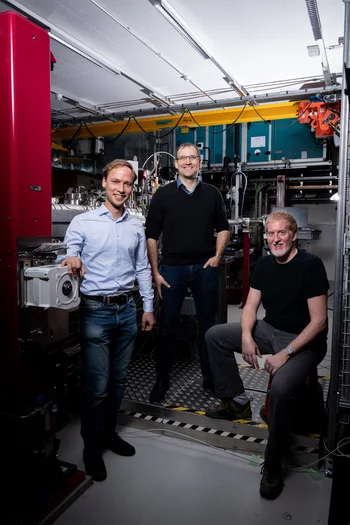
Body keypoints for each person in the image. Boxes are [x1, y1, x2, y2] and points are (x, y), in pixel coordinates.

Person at [205, 210, 329, 500]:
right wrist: (248, 337)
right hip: (270, 329)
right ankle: (236, 401)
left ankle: (272, 465)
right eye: (271, 234)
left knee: (283, 388)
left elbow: (319, 322)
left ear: (294, 234)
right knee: (215, 336)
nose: (276, 239)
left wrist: (286, 353)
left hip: (304, 340)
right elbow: (250, 307)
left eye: (282, 233)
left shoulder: (311, 266)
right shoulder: (264, 265)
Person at [61, 159, 155, 482]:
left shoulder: (135, 225)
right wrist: (70, 258)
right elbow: (69, 253)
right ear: (104, 183)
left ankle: (109, 433)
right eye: (116, 182)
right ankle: (91, 446)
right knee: (97, 386)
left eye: (127, 184)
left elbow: (143, 268)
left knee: (118, 381)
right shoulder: (83, 222)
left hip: (128, 309)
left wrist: (148, 308)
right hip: (95, 311)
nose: (122, 189)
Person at [145, 142, 230, 403]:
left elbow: (223, 228)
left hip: (205, 268)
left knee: (208, 327)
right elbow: (151, 235)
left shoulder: (212, 193)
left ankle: (209, 378)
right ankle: (162, 380)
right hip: (172, 269)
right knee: (167, 327)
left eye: (192, 157)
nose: (188, 162)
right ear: (176, 164)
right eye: (183, 158)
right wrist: (156, 272)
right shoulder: (163, 194)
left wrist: (217, 256)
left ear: (200, 161)